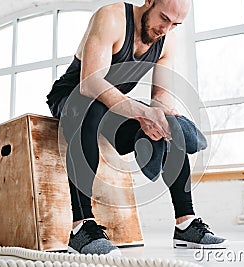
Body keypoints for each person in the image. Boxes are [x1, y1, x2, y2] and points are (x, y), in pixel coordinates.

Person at [46, 0, 227, 256]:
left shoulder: (167, 40)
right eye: (163, 18)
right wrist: (142, 112)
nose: (166, 28)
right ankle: (81, 227)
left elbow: (161, 96)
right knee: (91, 108)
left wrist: (163, 116)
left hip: (114, 106)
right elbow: (89, 83)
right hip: (73, 96)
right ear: (149, 1)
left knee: (170, 127)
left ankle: (185, 224)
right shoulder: (111, 17)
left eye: (175, 24)